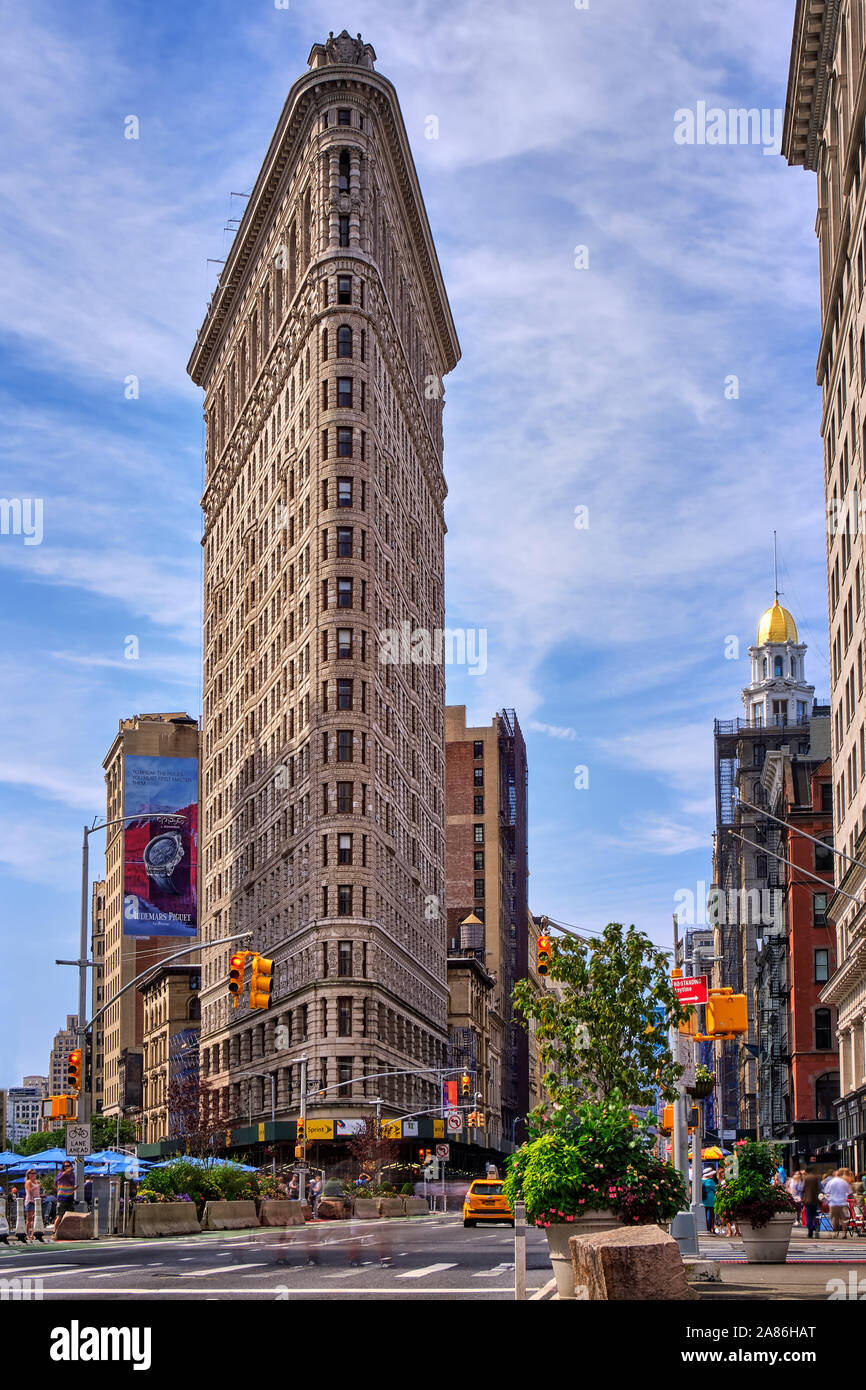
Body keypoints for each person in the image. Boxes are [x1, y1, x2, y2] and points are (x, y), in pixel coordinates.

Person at [823, 1168, 853, 1238]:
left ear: (834, 1175)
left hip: (833, 1203)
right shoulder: (844, 1182)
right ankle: (844, 1233)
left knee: (834, 1218)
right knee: (843, 1219)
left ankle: (835, 1233)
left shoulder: (831, 1182)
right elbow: (849, 1192)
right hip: (842, 1202)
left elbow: (826, 1192)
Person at [801, 1167, 823, 1238]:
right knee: (816, 1215)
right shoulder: (816, 1178)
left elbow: (802, 1189)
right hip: (815, 1199)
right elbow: (820, 1188)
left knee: (809, 1216)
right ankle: (816, 1229)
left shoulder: (805, 1179)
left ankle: (810, 1231)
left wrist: (802, 1198)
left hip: (807, 1200)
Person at [24, 1170, 41, 1242]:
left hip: (37, 1201)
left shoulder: (37, 1182)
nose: (34, 1174)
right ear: (29, 1174)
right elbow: (30, 1191)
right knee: (29, 1218)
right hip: (30, 1201)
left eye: (34, 1173)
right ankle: (26, 1234)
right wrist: (37, 1186)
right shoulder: (28, 1182)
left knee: (34, 1218)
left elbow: (38, 1192)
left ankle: (33, 1234)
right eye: (32, 1173)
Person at [701, 1168, 717, 1233]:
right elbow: (715, 1190)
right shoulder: (710, 1181)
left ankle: (705, 1228)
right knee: (710, 1215)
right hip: (710, 1200)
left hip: (702, 1199)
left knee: (704, 1215)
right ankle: (709, 1228)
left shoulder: (701, 1180)